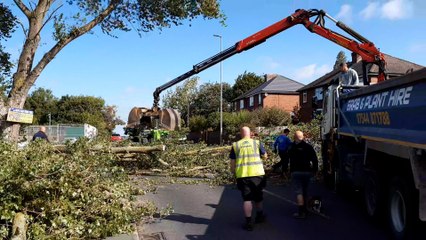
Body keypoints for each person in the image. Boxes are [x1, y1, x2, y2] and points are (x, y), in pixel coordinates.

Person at [229, 126, 268, 231]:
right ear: (250, 133)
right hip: (258, 174)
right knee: (258, 196)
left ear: (241, 134)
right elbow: (265, 156)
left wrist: (233, 172)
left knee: (247, 199)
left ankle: (249, 222)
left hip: (243, 175)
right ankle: (259, 216)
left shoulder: (236, 145)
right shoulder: (257, 143)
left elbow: (232, 163)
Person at [288, 131, 318, 219]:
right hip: (306, 171)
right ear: (303, 137)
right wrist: (314, 170)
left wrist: (286, 170)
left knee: (299, 192)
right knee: (305, 190)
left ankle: (301, 212)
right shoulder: (308, 147)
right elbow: (314, 159)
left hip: (295, 172)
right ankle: (306, 209)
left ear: (294, 137)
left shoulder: (291, 147)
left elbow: (286, 157)